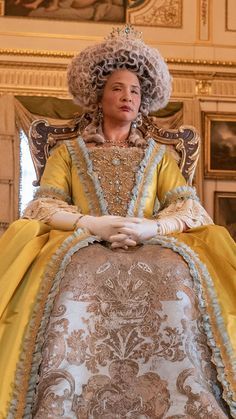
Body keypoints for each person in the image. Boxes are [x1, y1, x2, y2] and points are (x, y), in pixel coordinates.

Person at [0, 25, 235, 419]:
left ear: (144, 101)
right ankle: (66, 397)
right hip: (83, 241)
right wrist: (92, 225)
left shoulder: (160, 155)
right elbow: (44, 205)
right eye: (117, 88)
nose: (127, 97)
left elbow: (188, 208)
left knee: (176, 275)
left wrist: (151, 228)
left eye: (135, 91)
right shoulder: (68, 152)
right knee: (75, 274)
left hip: (151, 243)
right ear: (98, 95)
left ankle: (182, 398)